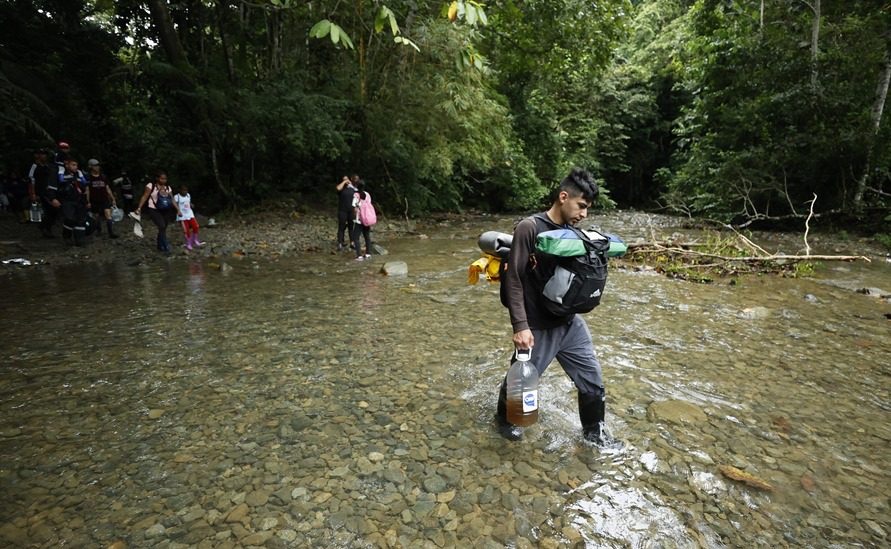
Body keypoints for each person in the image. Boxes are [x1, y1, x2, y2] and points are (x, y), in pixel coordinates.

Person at [496, 167, 616, 446]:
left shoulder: (573, 233)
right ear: (564, 196)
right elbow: (513, 277)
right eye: (581, 206)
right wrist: (521, 327)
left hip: (570, 324)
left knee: (592, 381)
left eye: (588, 209)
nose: (584, 214)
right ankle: (504, 423)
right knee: (521, 380)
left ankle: (594, 434)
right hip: (537, 327)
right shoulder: (530, 228)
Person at [135, 170, 178, 254]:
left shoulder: (168, 188)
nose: (164, 180)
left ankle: (159, 245)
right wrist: (139, 208)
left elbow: (172, 199)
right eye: (162, 179)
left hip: (165, 210)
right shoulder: (151, 186)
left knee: (163, 227)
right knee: (161, 226)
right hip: (153, 209)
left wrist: (178, 210)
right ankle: (166, 246)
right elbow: (144, 196)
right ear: (157, 178)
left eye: (165, 179)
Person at [49, 157, 90, 246]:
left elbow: (84, 190)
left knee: (81, 220)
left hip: (79, 201)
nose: (75, 167)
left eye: (76, 165)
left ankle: (80, 240)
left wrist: (87, 201)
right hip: (67, 201)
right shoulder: (60, 175)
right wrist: (53, 198)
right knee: (70, 218)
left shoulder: (79, 175)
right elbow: (52, 188)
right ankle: (66, 235)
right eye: (73, 165)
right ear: (67, 165)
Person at [85, 159, 119, 239]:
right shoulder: (88, 177)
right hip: (94, 200)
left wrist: (113, 198)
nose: (97, 167)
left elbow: (107, 188)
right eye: (95, 166)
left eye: (98, 165)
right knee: (96, 216)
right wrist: (88, 201)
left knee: (108, 214)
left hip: (104, 199)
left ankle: (111, 232)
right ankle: (98, 230)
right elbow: (87, 190)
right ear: (91, 167)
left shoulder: (103, 177)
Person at [27, 149, 58, 237]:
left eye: (45, 154)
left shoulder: (48, 166)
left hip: (48, 191)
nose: (43, 156)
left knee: (52, 211)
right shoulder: (34, 166)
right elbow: (31, 180)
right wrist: (33, 193)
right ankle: (46, 228)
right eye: (42, 154)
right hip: (40, 192)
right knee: (49, 210)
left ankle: (45, 227)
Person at [173, 184, 204, 250]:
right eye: (183, 190)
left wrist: (191, 204)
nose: (185, 192)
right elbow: (174, 203)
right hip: (182, 216)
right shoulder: (177, 197)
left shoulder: (188, 195)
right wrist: (178, 210)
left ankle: (195, 240)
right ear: (180, 190)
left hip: (190, 214)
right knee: (186, 230)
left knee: (196, 226)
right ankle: (188, 243)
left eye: (186, 190)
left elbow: (188, 202)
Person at [350, 181, 374, 260]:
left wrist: (353, 217)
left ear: (356, 186)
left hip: (359, 220)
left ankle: (359, 255)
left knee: (356, 237)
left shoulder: (356, 195)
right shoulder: (367, 194)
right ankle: (368, 253)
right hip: (367, 219)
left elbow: (354, 207)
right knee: (367, 236)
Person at [335, 174, 358, 251]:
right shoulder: (341, 189)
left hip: (351, 211)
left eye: (347, 179)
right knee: (341, 227)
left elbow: (357, 194)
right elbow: (338, 188)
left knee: (351, 227)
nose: (346, 181)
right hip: (342, 210)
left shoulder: (352, 188)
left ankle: (352, 243)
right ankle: (340, 243)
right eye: (344, 179)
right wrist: (344, 182)